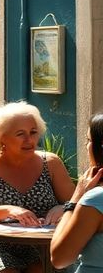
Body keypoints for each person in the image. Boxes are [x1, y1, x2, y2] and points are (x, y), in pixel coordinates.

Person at [0, 101, 74, 273]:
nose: (29, 140)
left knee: (41, 268)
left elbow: (77, 204)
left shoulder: (51, 163)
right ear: (2, 138)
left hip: (39, 246)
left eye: (33, 132)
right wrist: (10, 210)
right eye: (20, 134)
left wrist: (63, 207)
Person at [51, 113, 103, 271]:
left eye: (89, 141)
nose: (87, 146)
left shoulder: (96, 200)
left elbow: (59, 258)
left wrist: (74, 201)